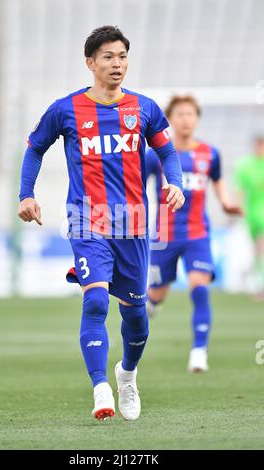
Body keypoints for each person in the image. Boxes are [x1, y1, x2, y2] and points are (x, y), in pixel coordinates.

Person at [18, 26, 184, 421]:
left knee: (136, 316)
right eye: (108, 57)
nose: (117, 64)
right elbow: (34, 148)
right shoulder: (66, 108)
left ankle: (126, 374)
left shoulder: (143, 108)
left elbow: (168, 152)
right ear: (90, 62)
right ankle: (100, 388)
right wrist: (26, 194)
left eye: (122, 56)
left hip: (133, 225)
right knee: (94, 300)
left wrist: (174, 183)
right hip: (86, 220)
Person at [146, 95, 243, 372]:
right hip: (164, 237)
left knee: (199, 289)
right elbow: (137, 186)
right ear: (170, 120)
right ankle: (153, 303)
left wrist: (226, 203)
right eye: (180, 114)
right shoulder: (157, 155)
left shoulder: (209, 154)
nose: (186, 119)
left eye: (190, 114)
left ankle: (199, 351)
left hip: (197, 234)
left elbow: (218, 180)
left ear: (197, 118)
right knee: (155, 295)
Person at [234, 137, 264, 301]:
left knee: (261, 245)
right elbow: (240, 189)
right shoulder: (246, 165)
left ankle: (262, 286)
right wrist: (239, 209)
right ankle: (259, 283)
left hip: (262, 213)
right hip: (252, 213)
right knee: (257, 251)